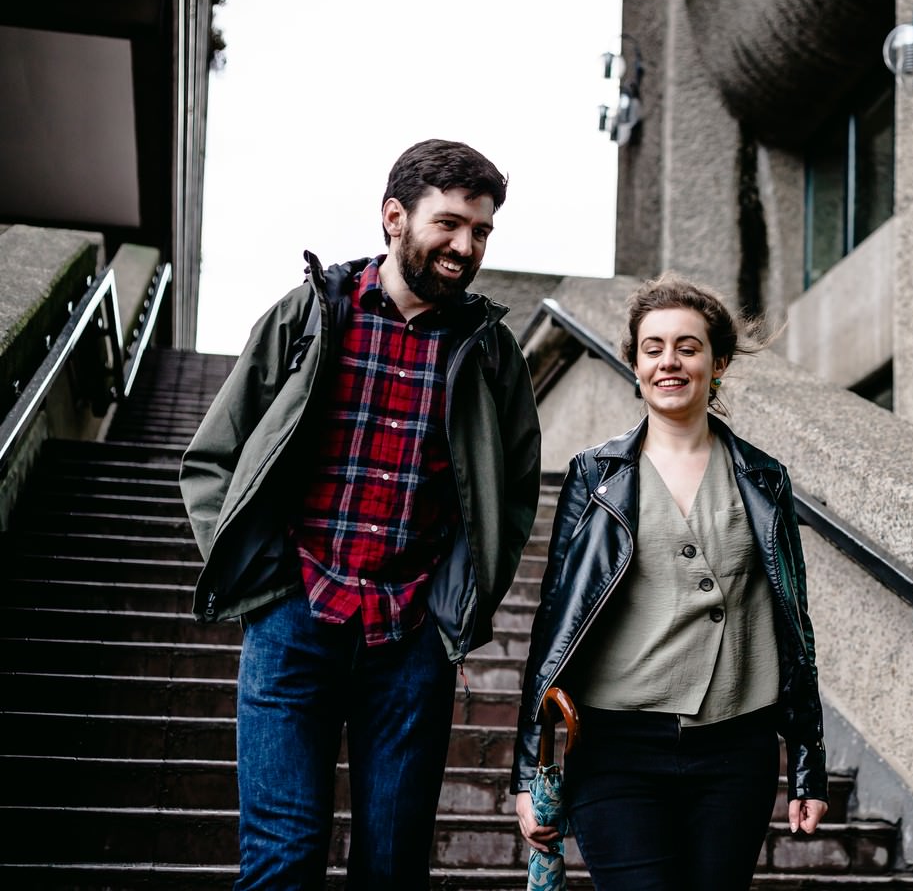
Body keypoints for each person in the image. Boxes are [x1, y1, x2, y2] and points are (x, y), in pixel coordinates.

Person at [179, 138, 542, 889]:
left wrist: (456, 604)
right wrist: (260, 576)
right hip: (292, 622)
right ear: (394, 216)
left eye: (480, 233)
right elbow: (214, 456)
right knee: (282, 862)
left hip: (410, 641)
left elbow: (514, 496)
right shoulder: (311, 314)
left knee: (392, 868)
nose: (464, 247)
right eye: (449, 225)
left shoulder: (491, 352)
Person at [511, 273, 829, 890]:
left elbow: (796, 622)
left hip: (737, 749)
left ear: (719, 362)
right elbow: (556, 620)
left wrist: (809, 762)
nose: (669, 362)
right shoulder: (595, 477)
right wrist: (529, 772)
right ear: (633, 364)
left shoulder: (765, 480)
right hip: (615, 746)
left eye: (688, 346)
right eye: (653, 348)